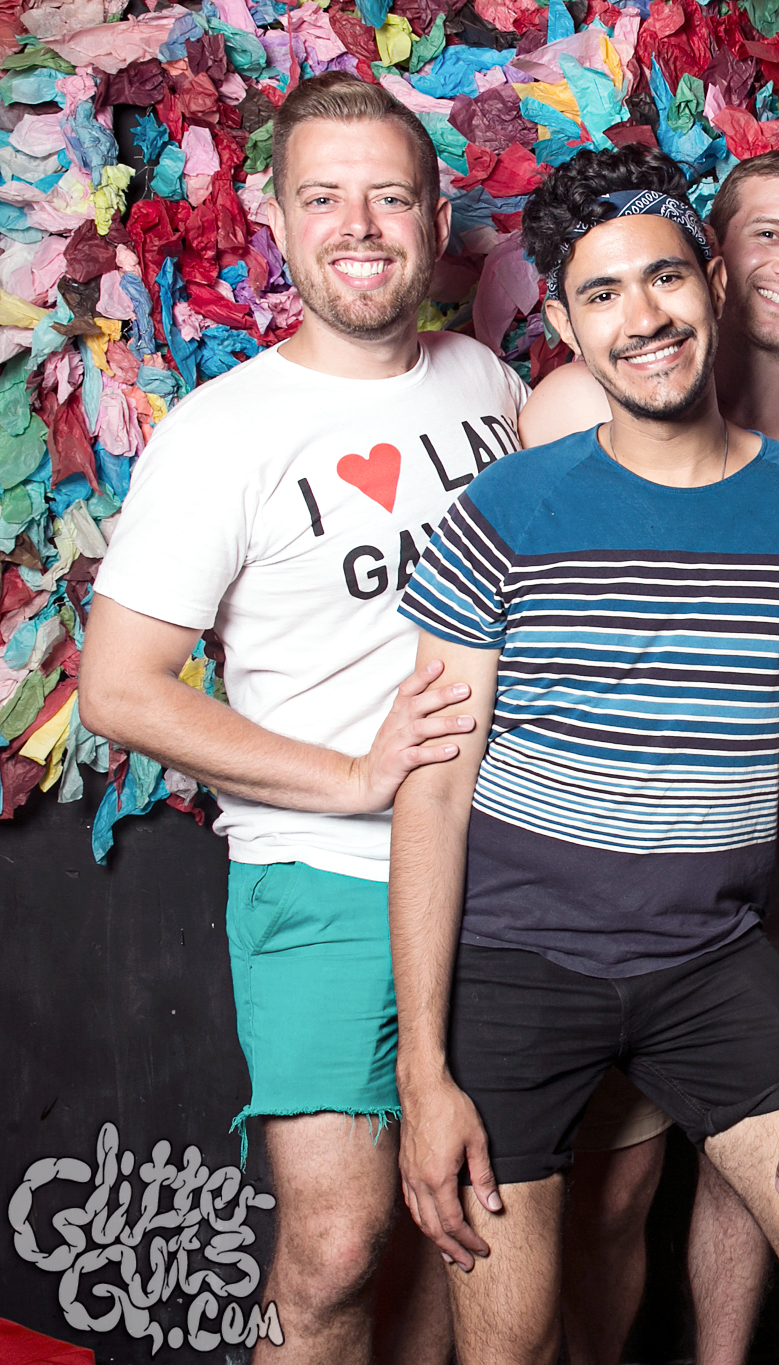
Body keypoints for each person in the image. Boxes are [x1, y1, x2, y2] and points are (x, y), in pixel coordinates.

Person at [385, 144, 779, 1365]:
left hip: (709, 960)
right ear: (567, 328)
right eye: (604, 294)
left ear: (713, 284)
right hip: (517, 965)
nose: (645, 318)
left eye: (666, 278)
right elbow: (435, 791)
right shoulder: (507, 510)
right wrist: (424, 1074)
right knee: (509, 1340)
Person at [76, 73, 527, 1365]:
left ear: (436, 212)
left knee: (475, 1222)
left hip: (508, 871)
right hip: (324, 876)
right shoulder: (221, 434)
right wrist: (348, 775)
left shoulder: (489, 382)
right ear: (273, 216)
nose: (361, 226)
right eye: (324, 197)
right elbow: (118, 687)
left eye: (390, 195)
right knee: (334, 1246)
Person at [513, 148, 779, 1365]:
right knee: (613, 1183)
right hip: (618, 876)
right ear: (715, 256)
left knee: (757, 1164)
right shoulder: (582, 404)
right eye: (768, 235)